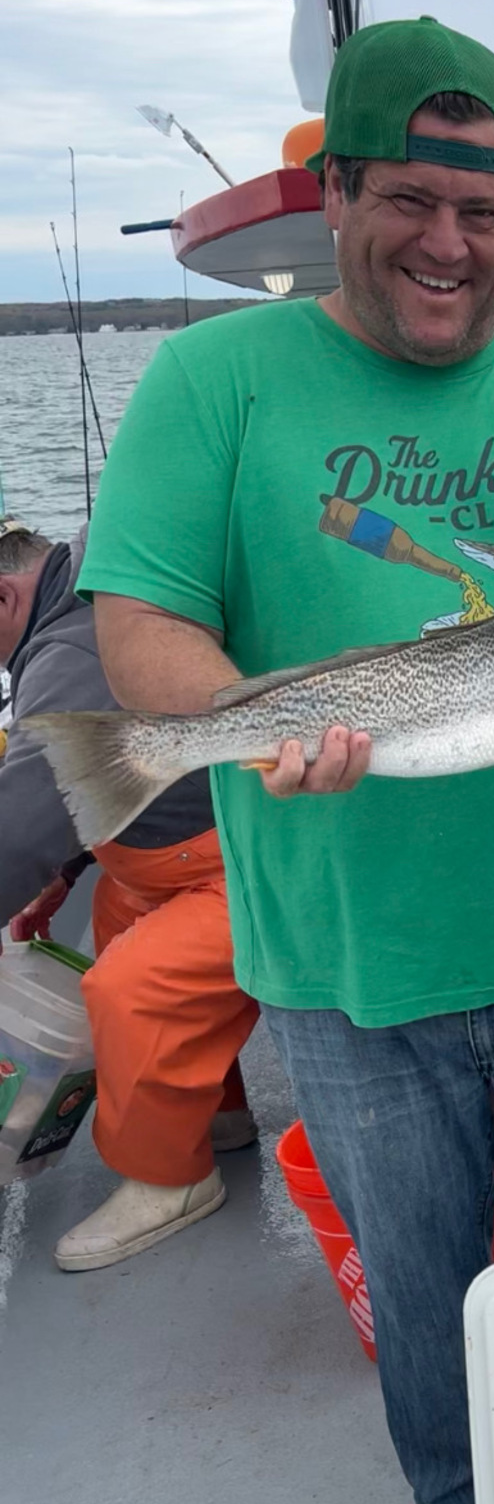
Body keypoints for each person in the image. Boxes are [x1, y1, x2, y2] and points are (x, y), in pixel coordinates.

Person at [77, 18, 494, 1504]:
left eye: (482, 214)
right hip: (345, 964)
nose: (447, 244)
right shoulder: (214, 378)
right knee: (425, 1282)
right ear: (339, 190)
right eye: (410, 202)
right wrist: (227, 725)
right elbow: (139, 618)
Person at [0, 519, 259, 1267]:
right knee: (115, 922)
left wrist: (41, 860)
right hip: (168, 856)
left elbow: (20, 826)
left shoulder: (73, 646)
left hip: (241, 861)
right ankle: (215, 1117)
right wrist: (70, 871)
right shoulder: (78, 599)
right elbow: (99, 773)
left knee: (128, 987)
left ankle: (171, 1178)